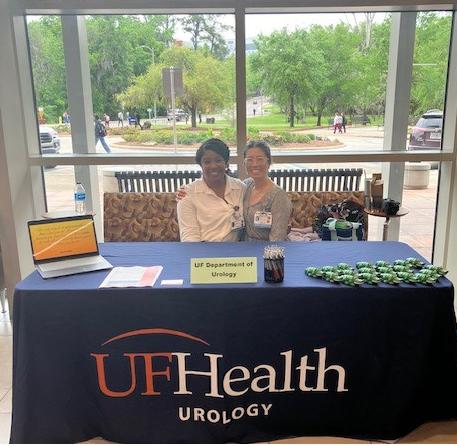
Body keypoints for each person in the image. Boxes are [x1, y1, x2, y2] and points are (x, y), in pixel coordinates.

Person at [177, 138, 246, 242]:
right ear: (201, 165)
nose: (213, 166)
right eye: (207, 162)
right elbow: (189, 236)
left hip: (235, 252)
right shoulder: (188, 194)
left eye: (218, 160)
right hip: (203, 252)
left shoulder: (240, 188)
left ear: (226, 163)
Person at [242, 140, 292, 241]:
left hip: (268, 250)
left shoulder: (278, 196)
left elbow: (277, 239)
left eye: (260, 159)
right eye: (250, 159)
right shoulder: (245, 186)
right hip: (244, 248)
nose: (254, 164)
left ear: (268, 162)